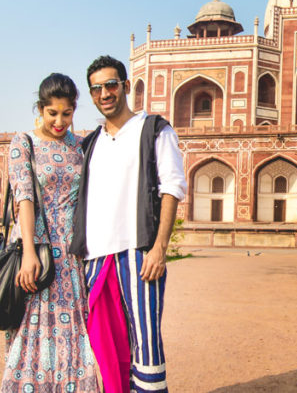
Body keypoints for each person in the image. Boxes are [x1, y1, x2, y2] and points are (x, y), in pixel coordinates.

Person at [70, 55, 186, 393]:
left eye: (110, 85)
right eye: (96, 89)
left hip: (138, 253)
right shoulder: (91, 143)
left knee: (146, 340)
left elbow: (172, 188)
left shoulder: (153, 129)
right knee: (104, 343)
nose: (104, 93)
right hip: (95, 257)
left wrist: (159, 248)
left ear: (124, 86)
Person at [3, 73, 100, 392]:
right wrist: (29, 252)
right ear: (40, 109)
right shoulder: (24, 143)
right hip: (39, 251)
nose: (60, 121)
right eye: (52, 113)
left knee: (73, 331)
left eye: (67, 113)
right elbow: (25, 198)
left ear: (74, 110)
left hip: (71, 257)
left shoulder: (79, 147)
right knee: (33, 329)